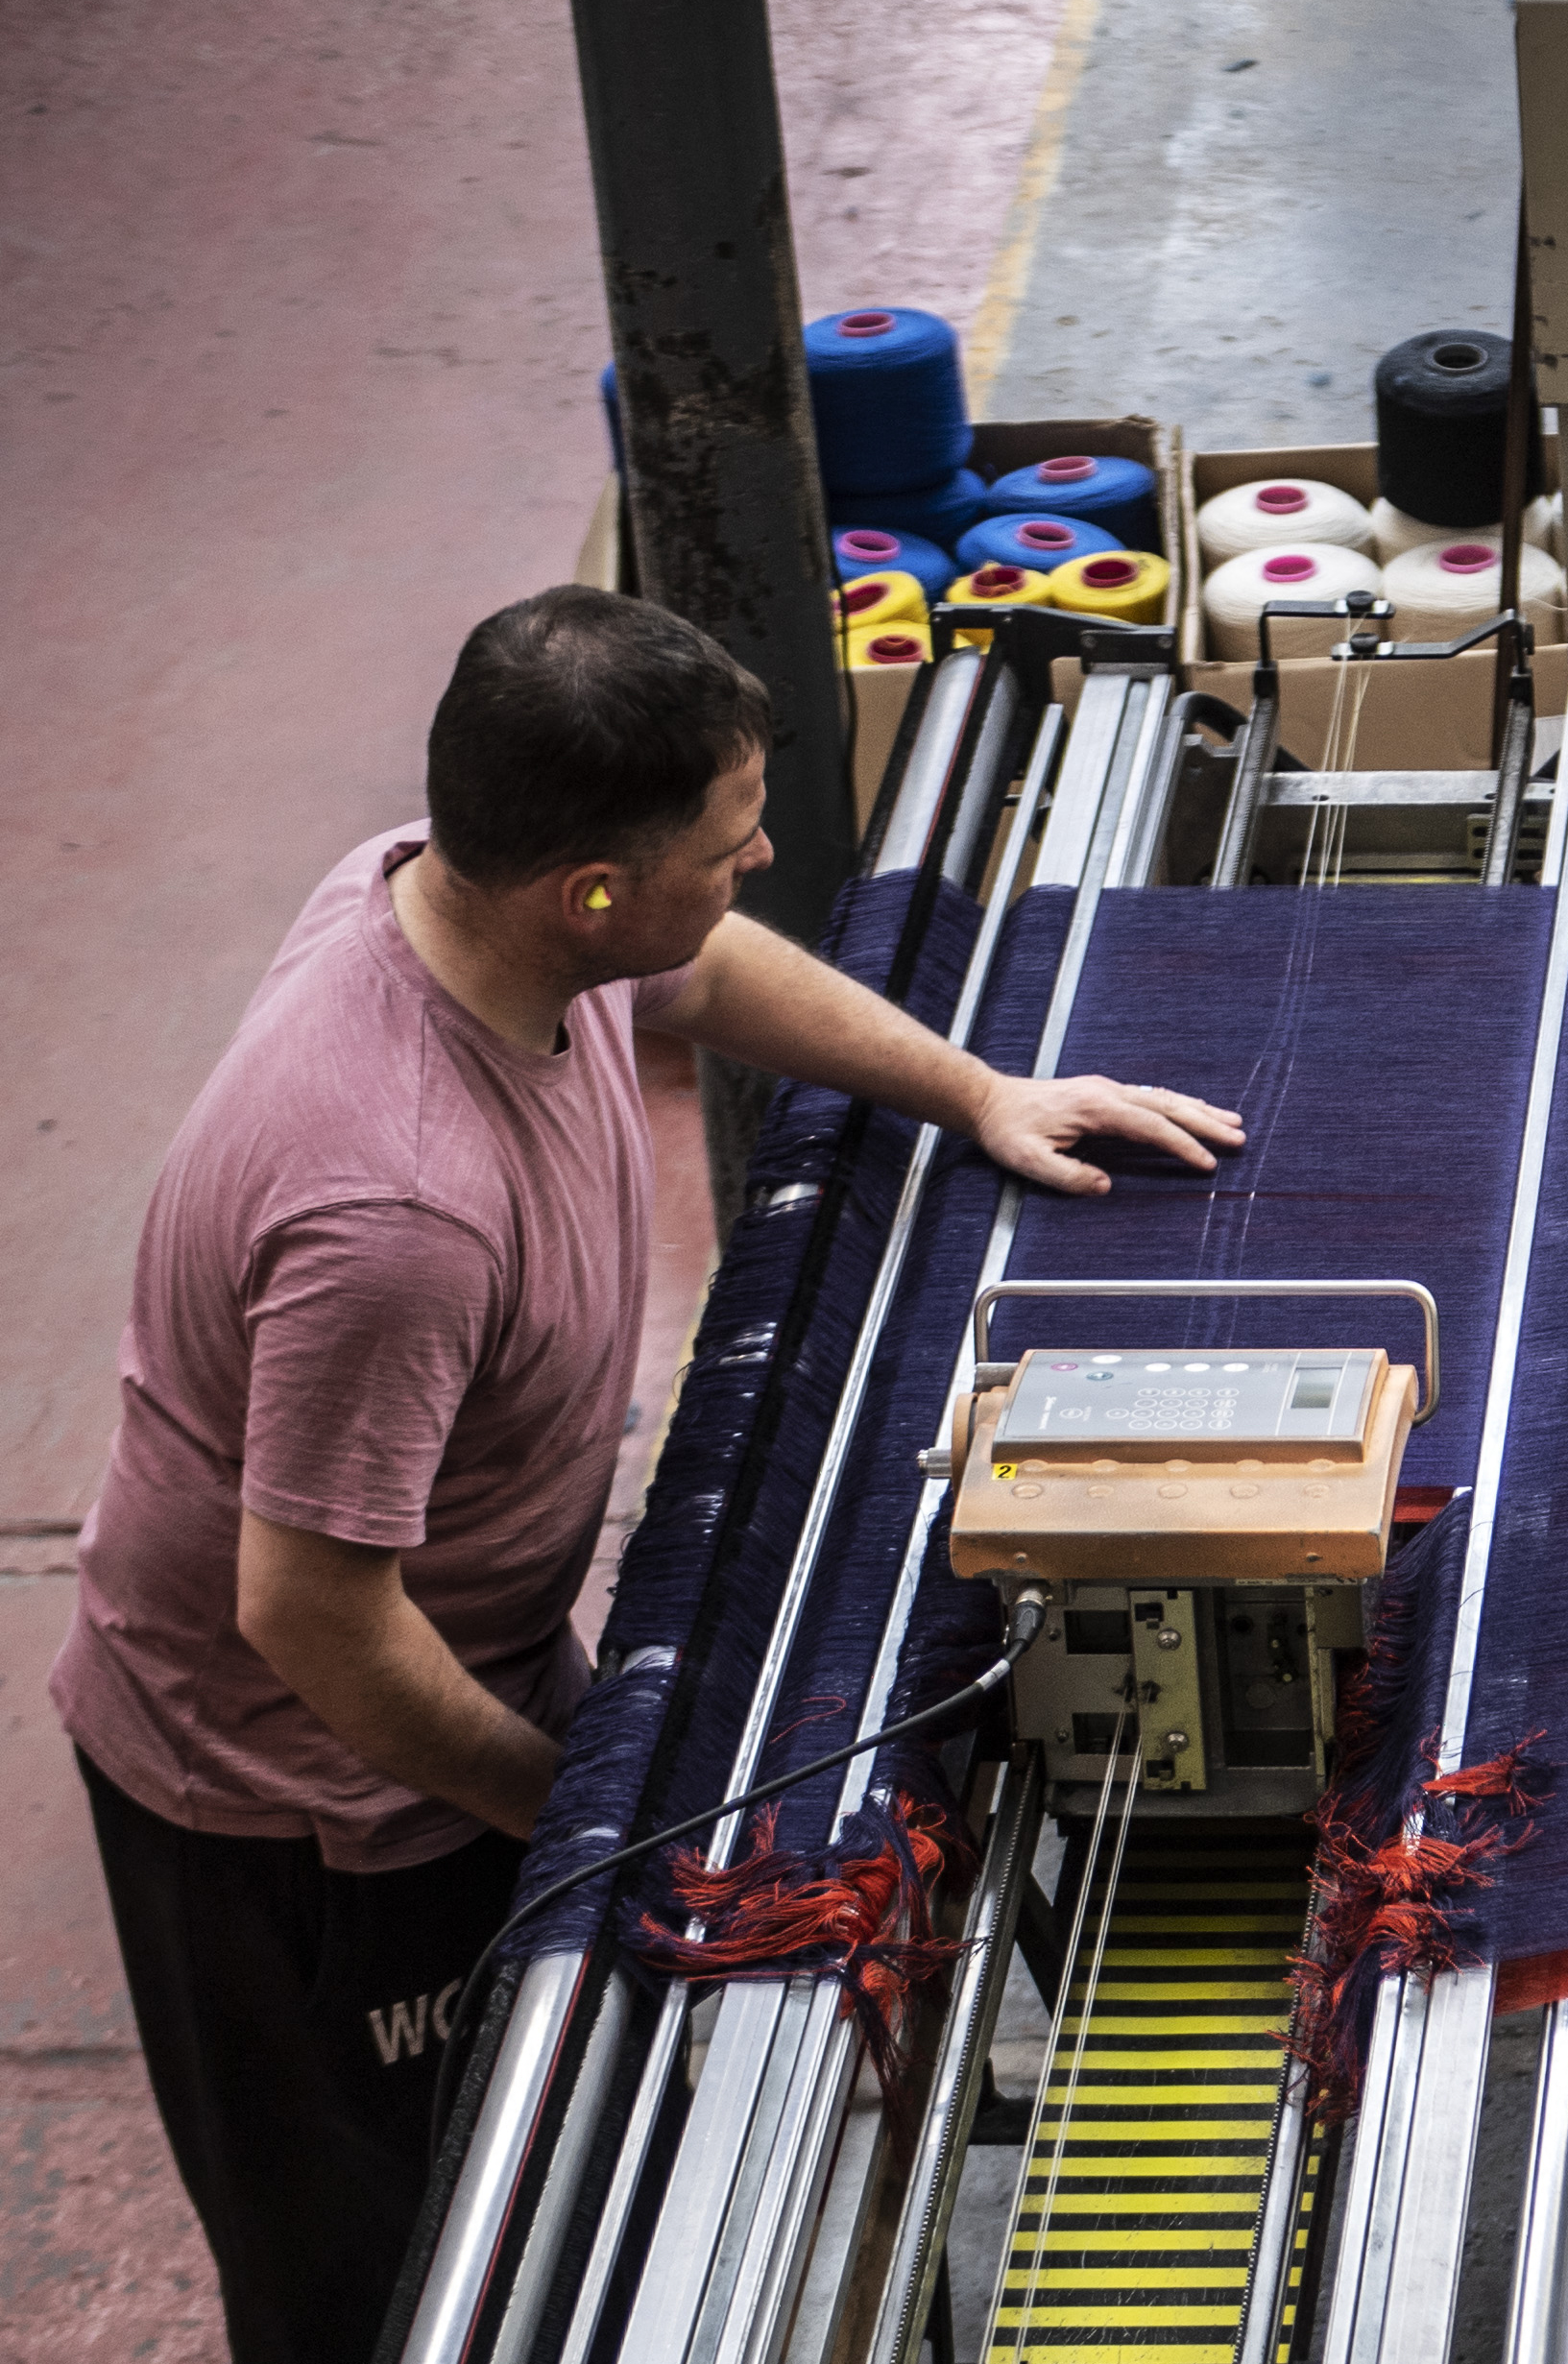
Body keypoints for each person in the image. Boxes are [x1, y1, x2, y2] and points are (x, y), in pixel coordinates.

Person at [47, 585, 1242, 2364]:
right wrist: (581, 1813)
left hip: (471, 1655)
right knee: (389, 2271)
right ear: (587, 887)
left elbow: (703, 967)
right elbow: (309, 1617)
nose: (755, 864)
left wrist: (977, 1087)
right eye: (729, 841)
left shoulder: (457, 892)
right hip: (297, 1808)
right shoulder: (395, 1207)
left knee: (567, 2175)